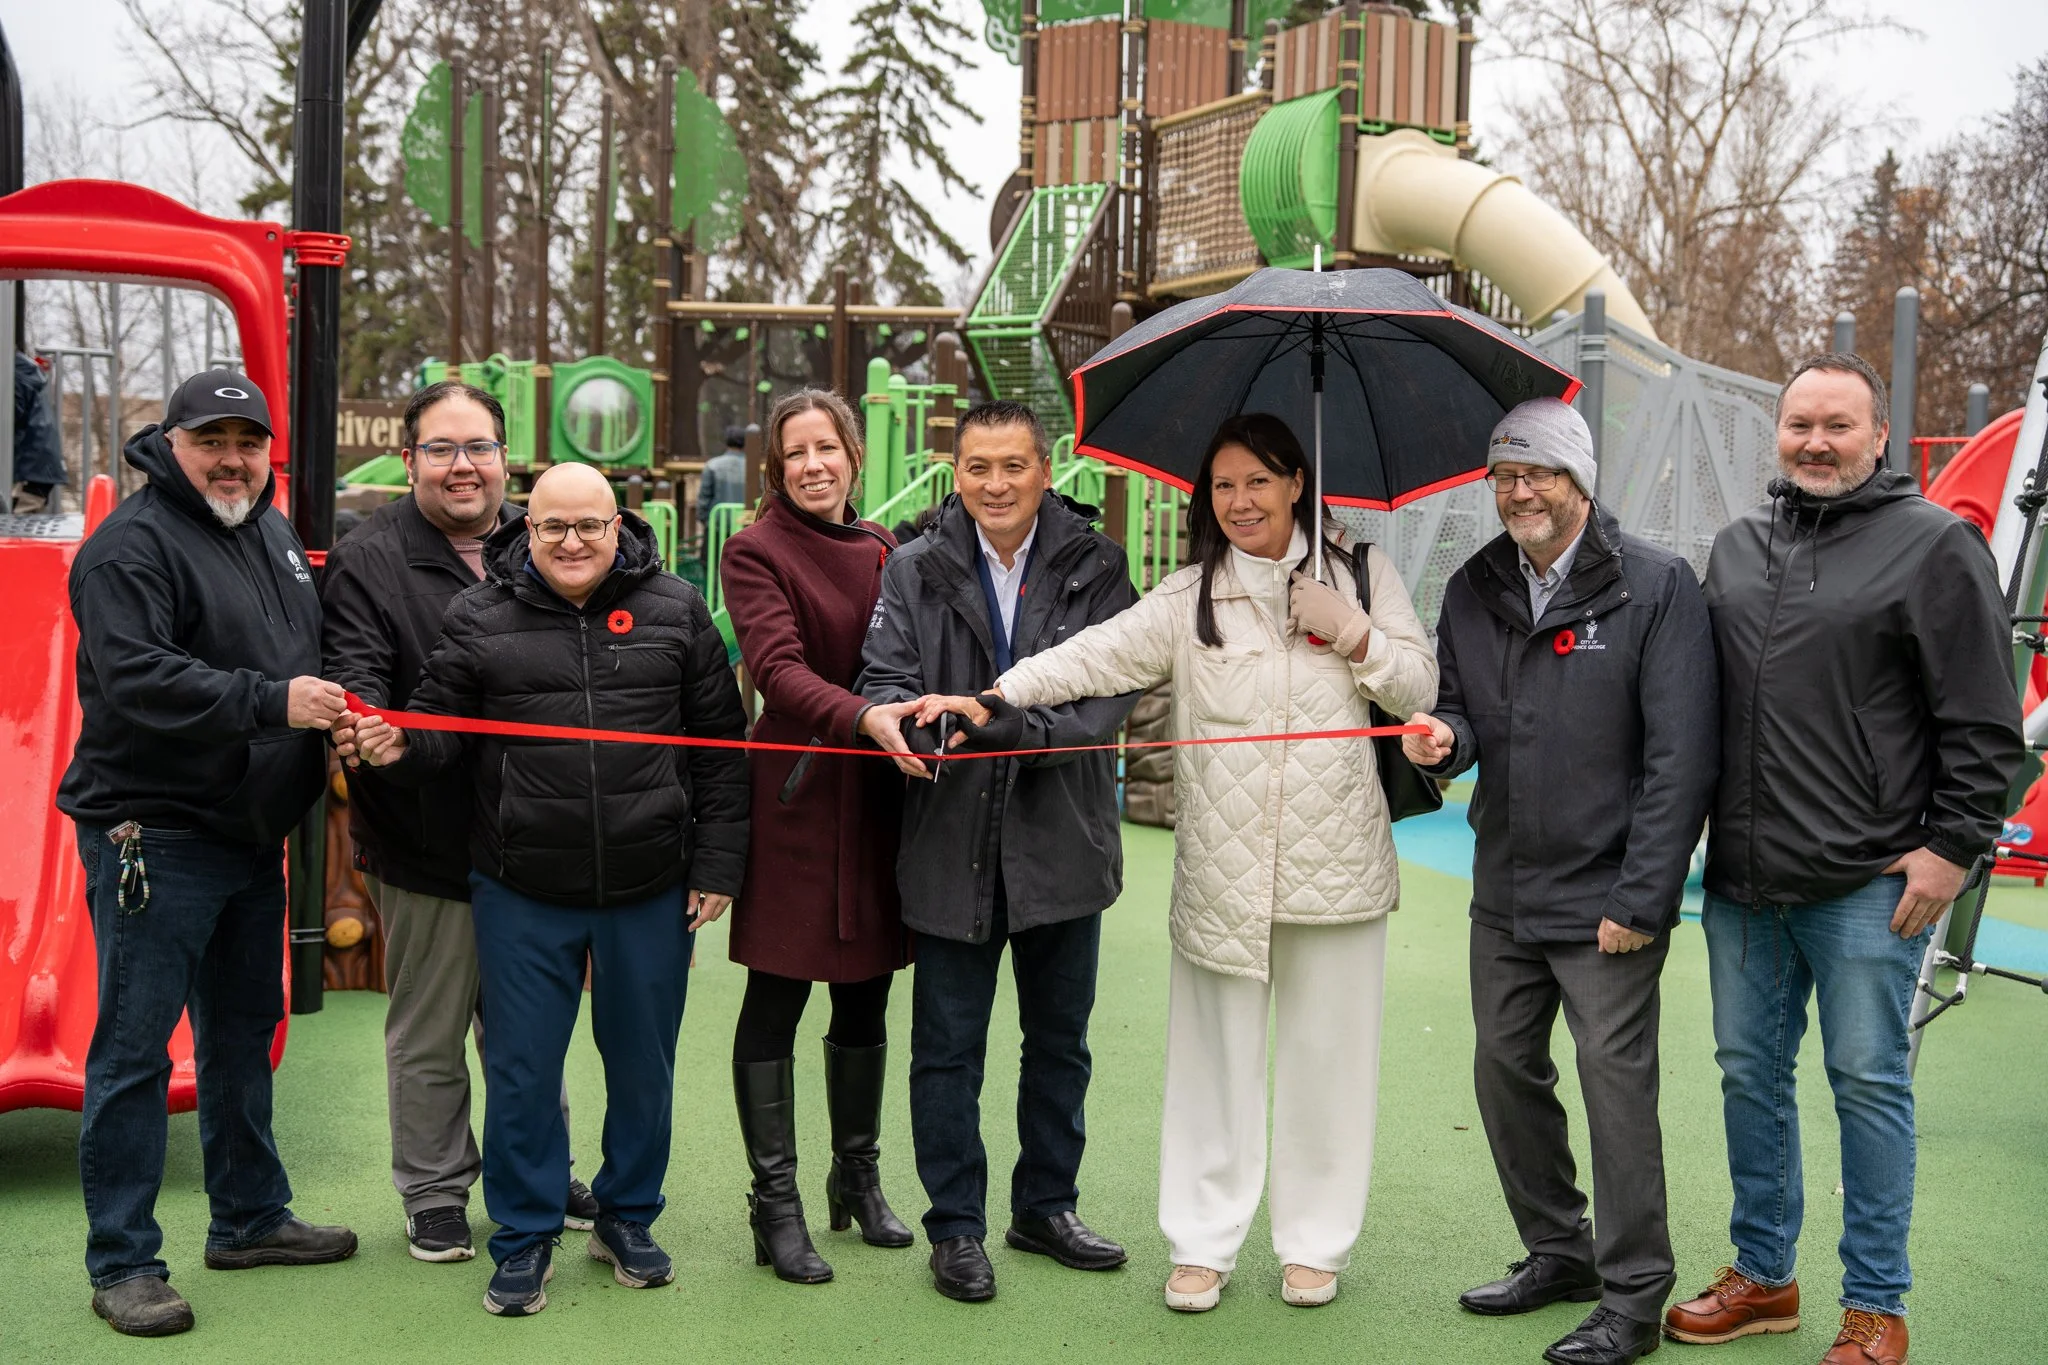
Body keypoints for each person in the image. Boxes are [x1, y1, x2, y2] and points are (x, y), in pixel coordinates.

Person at [935, 412, 1438, 1314]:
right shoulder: (1189, 593)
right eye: (1223, 485)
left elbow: (1419, 688)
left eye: (1258, 480)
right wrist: (999, 691)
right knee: (1213, 1062)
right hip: (1222, 872)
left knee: (1328, 1059)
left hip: (1339, 866)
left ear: (1296, 484)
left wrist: (1353, 631)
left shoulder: (1363, 572)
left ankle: (1315, 1244)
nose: (1240, 500)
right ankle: (1203, 1242)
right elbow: (1095, 655)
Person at [1665, 353, 2023, 1365]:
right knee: (1748, 1081)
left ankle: (1875, 1304)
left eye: (1836, 426)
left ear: (1878, 440)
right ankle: (1763, 1278)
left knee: (1866, 1085)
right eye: (1797, 426)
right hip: (1741, 885)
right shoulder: (1735, 549)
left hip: (1870, 886)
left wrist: (1951, 849)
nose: (1814, 443)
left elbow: (1986, 724)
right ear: (1775, 436)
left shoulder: (1933, 546)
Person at [348, 463, 749, 1318]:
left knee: (643, 1066)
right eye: (553, 527)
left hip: (650, 882)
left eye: (589, 527)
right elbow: (439, 730)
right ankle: (525, 1233)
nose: (572, 543)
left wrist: (716, 864)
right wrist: (397, 746)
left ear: (619, 526)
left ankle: (627, 1215)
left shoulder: (676, 608)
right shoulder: (481, 612)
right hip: (522, 884)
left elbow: (722, 745)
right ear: (527, 530)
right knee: (523, 1070)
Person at [1404, 398, 1718, 1365]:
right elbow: (1461, 710)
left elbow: (1683, 758)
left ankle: (1634, 1296)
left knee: (1614, 1089)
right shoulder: (1472, 585)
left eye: (1536, 472)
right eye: (1503, 475)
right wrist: (1445, 739)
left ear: (1579, 479)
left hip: (1609, 898)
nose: (1518, 492)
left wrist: (1642, 897)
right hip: (1505, 886)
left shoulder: (1657, 586)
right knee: (1504, 1070)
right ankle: (1558, 1250)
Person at [57, 369, 357, 1338]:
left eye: (249, 441)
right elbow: (139, 679)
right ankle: (123, 1259)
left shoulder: (267, 529)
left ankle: (249, 1215)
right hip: (154, 830)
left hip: (247, 833)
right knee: (137, 1051)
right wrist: (275, 704)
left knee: (241, 1033)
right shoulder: (127, 550)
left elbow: (301, 646)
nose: (233, 458)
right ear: (170, 442)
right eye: (211, 439)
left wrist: (340, 714)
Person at [857, 399, 1141, 1303]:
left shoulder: (1099, 565)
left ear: (1045, 468)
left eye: (1013, 465)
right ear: (956, 471)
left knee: (1060, 1043)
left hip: (1065, 838)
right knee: (947, 1047)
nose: (995, 484)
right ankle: (957, 1227)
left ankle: (1045, 1205)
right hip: (951, 839)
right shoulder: (912, 567)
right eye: (977, 466)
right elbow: (887, 682)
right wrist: (918, 725)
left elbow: (1108, 697)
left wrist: (1004, 721)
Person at [321, 379, 597, 1264]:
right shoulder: (373, 555)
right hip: (427, 836)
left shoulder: (545, 538)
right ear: (411, 462)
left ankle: (540, 1168)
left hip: (535, 835)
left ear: (505, 456)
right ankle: (436, 1189)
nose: (462, 465)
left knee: (530, 1028)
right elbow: (360, 676)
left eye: (477, 446)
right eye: (440, 449)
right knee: (432, 1028)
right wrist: (380, 730)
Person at [716, 388, 927, 1283]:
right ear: (777, 465)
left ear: (852, 456)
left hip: (876, 801)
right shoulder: (754, 549)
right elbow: (776, 670)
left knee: (867, 996)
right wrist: (868, 716)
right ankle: (776, 1205)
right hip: (798, 800)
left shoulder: (886, 550)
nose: (813, 464)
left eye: (827, 448)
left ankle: (858, 1176)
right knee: (778, 999)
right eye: (795, 451)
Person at [13, 349, 68, 513]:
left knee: (18, 522)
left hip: (30, 468)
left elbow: (12, 414)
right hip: (38, 465)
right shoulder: (21, 368)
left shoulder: (14, 372)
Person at [699, 423, 749, 539]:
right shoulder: (752, 468)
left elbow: (704, 498)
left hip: (716, 526)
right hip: (744, 527)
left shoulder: (712, 465)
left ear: (726, 442)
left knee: (712, 557)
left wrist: (705, 521)